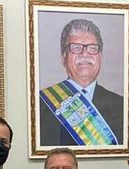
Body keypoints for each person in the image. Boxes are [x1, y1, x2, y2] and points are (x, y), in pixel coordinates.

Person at [39, 18, 123, 146]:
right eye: (76, 47)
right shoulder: (41, 103)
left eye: (92, 48)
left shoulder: (121, 105)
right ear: (63, 57)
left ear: (101, 57)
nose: (84, 54)